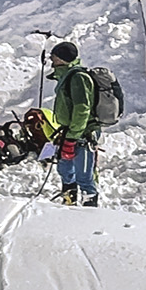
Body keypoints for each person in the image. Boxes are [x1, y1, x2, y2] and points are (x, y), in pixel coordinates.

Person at [45, 41, 100, 206]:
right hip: (69, 131)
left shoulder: (78, 78)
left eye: (53, 57)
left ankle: (90, 205)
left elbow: (82, 109)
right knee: (65, 169)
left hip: (82, 133)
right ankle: (69, 198)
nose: (51, 60)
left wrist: (73, 137)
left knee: (83, 174)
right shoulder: (67, 75)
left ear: (62, 59)